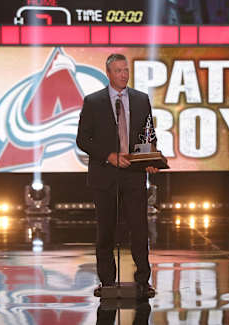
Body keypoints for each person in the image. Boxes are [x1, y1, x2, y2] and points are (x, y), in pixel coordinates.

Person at [76, 53, 158, 297]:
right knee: (106, 231)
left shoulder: (141, 100)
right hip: (104, 175)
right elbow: (82, 139)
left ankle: (143, 280)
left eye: (126, 70)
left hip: (133, 174)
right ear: (109, 73)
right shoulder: (94, 101)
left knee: (139, 228)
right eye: (119, 71)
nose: (124, 74)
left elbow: (148, 135)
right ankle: (107, 281)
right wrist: (108, 155)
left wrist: (150, 158)